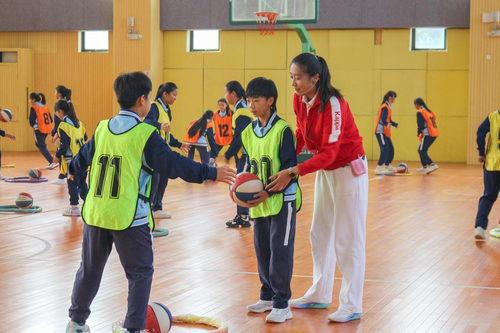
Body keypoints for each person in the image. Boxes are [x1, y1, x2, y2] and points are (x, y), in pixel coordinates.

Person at [65, 72, 236, 333]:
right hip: (129, 216)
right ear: (143, 99)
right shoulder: (145, 133)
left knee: (89, 270)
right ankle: (133, 328)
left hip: (96, 213)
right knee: (140, 273)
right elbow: (175, 164)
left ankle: (76, 322)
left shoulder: (101, 128)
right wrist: (211, 172)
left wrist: (82, 193)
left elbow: (77, 164)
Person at [267, 53, 368, 323]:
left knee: (348, 238)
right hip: (326, 169)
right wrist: (288, 160)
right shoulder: (299, 100)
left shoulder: (335, 103)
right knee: (319, 234)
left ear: (315, 78)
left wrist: (294, 171)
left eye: (298, 77)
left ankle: (351, 304)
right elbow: (301, 135)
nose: (293, 83)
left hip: (349, 170)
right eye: (291, 77)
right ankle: (320, 293)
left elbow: (332, 152)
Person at [242, 77, 301, 323]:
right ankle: (267, 295)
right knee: (262, 249)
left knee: (280, 251)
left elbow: (289, 170)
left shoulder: (283, 130)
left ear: (270, 101)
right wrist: (238, 191)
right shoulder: (248, 132)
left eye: (256, 100)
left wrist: (270, 192)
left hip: (282, 200)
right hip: (260, 200)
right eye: (248, 100)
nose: (252, 105)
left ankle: (281, 303)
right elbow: (247, 166)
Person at [144, 82, 190, 219]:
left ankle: (157, 208)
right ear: (165, 94)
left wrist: (178, 144)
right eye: (174, 95)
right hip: (153, 149)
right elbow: (146, 123)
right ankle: (147, 209)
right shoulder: (154, 106)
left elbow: (167, 134)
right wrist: (159, 125)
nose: (175, 98)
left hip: (163, 150)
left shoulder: (166, 109)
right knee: (155, 180)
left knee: (163, 179)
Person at [223, 81, 254, 228]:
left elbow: (240, 136)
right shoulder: (241, 108)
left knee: (242, 182)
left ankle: (243, 216)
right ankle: (251, 213)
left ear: (233, 94)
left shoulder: (241, 110)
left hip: (246, 153)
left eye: (226, 93)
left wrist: (229, 153)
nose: (225, 96)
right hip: (249, 152)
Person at [52, 99, 88, 216]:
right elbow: (86, 137)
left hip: (72, 161)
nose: (57, 115)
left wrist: (57, 156)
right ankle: (89, 205)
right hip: (83, 159)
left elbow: (65, 144)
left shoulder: (63, 125)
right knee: (82, 184)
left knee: (72, 184)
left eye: (57, 113)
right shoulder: (79, 123)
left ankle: (74, 208)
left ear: (61, 111)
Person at [474, 110, 500, 240]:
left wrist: (481, 152)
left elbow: (480, 132)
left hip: (492, 164)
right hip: (492, 163)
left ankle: (480, 227)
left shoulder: (493, 117)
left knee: (488, 196)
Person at [29, 92, 58, 169]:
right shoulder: (45, 107)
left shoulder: (34, 107)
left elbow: (31, 120)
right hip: (47, 129)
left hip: (39, 129)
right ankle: (51, 158)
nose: (29, 101)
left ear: (33, 100)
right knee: (39, 144)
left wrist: (33, 125)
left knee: (41, 146)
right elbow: (51, 119)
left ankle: (52, 161)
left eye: (30, 99)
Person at [51, 85, 73, 185]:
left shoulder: (60, 105)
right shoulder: (68, 103)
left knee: (63, 153)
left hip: (62, 131)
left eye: (55, 92)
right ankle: (64, 175)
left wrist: (55, 133)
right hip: (66, 131)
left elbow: (57, 122)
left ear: (59, 94)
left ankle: (62, 176)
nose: (54, 94)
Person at [374, 91, 398, 174]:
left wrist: (394, 124)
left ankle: (387, 165)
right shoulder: (385, 106)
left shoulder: (388, 106)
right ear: (390, 98)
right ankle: (379, 167)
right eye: (394, 97)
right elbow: (384, 119)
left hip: (385, 132)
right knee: (385, 148)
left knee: (391, 148)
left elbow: (388, 119)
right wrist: (387, 124)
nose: (395, 99)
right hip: (380, 131)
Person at [415, 97, 439, 174]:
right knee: (420, 149)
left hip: (428, 133)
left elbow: (420, 125)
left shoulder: (420, 112)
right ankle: (424, 166)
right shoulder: (429, 111)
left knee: (422, 151)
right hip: (434, 133)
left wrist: (418, 132)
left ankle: (432, 164)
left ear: (416, 104)